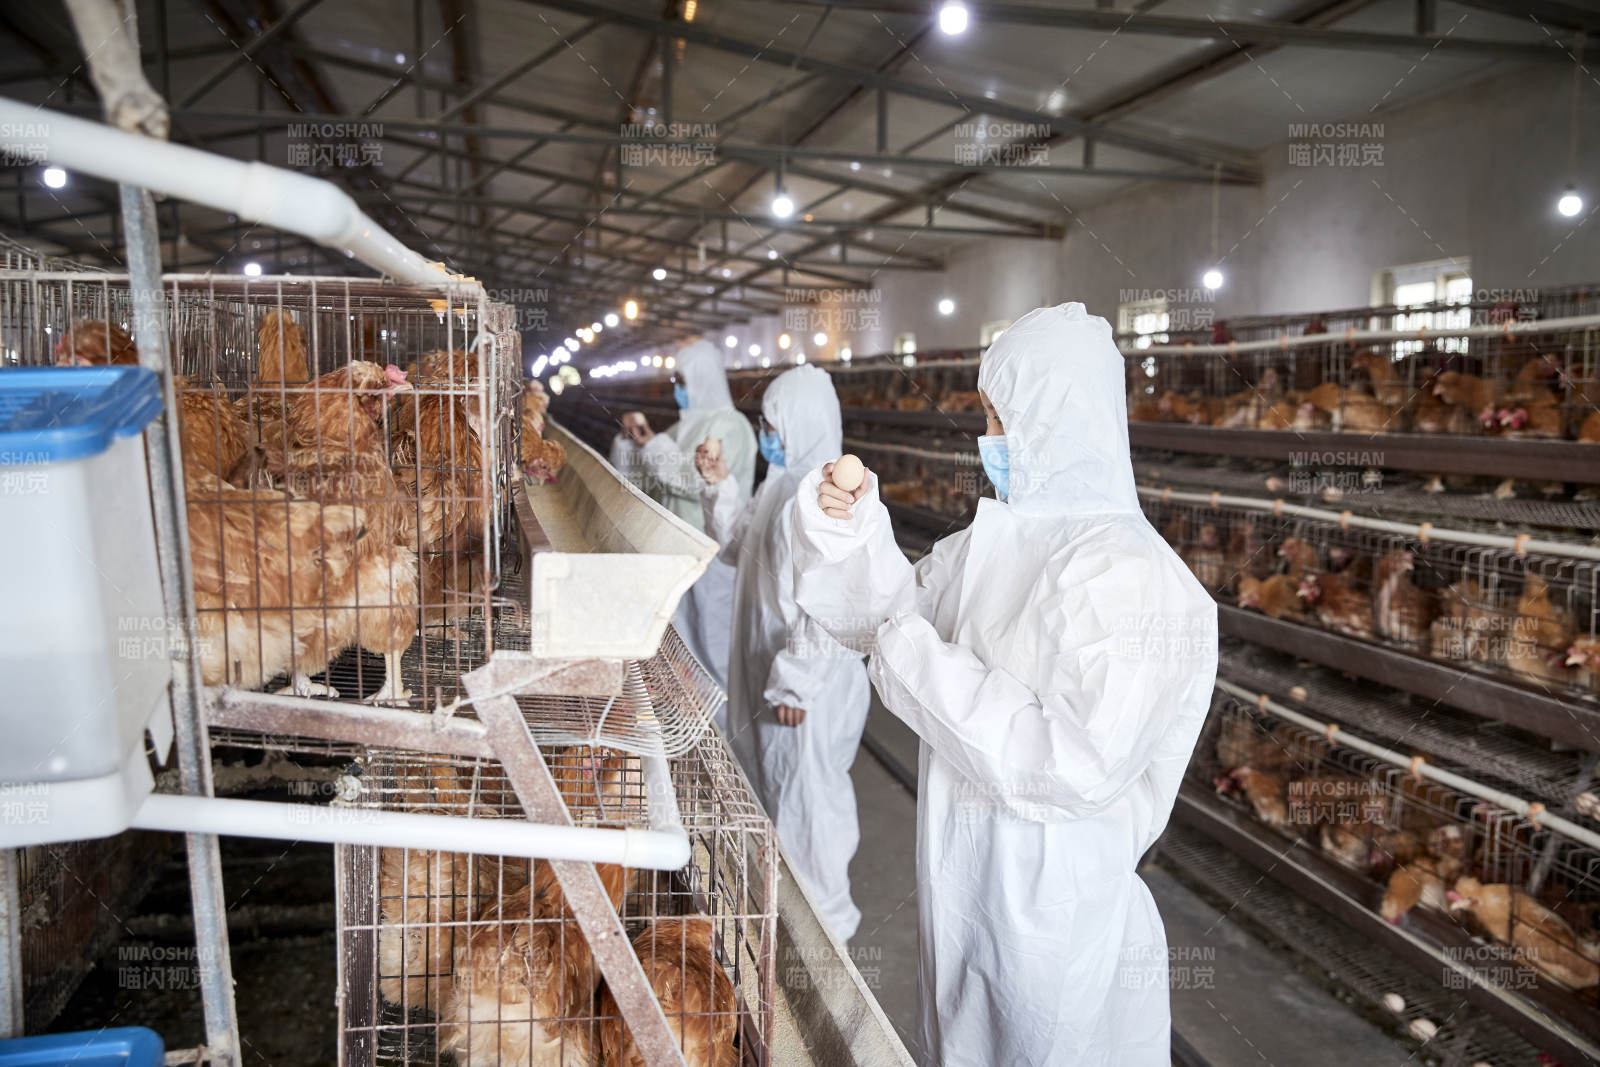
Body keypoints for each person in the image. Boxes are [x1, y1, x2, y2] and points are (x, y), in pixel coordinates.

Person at [789, 302, 1218, 1065]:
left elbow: (1069, 762)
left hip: (1056, 921)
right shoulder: (987, 547)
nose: (987, 439)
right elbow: (880, 619)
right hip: (961, 890)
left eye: (998, 417)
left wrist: (912, 652)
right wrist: (850, 525)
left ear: (1055, 420)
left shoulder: (1137, 579)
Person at [694, 364, 870, 942]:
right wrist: (719, 485)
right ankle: (785, 925)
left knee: (809, 808)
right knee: (777, 796)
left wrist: (798, 679)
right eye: (763, 424)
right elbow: (732, 547)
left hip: (804, 690)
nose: (765, 434)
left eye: (772, 424)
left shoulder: (829, 500)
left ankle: (824, 944)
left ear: (800, 424)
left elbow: (837, 601)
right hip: (771, 673)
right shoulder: (780, 485)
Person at [611, 339, 756, 697]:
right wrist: (631, 440)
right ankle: (691, 723)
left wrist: (651, 443)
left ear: (701, 378)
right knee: (682, 644)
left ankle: (721, 730)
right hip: (677, 549)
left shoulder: (730, 426)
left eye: (682, 380)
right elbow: (649, 469)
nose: (677, 388)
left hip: (712, 554)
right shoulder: (685, 425)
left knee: (713, 644)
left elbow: (693, 480)